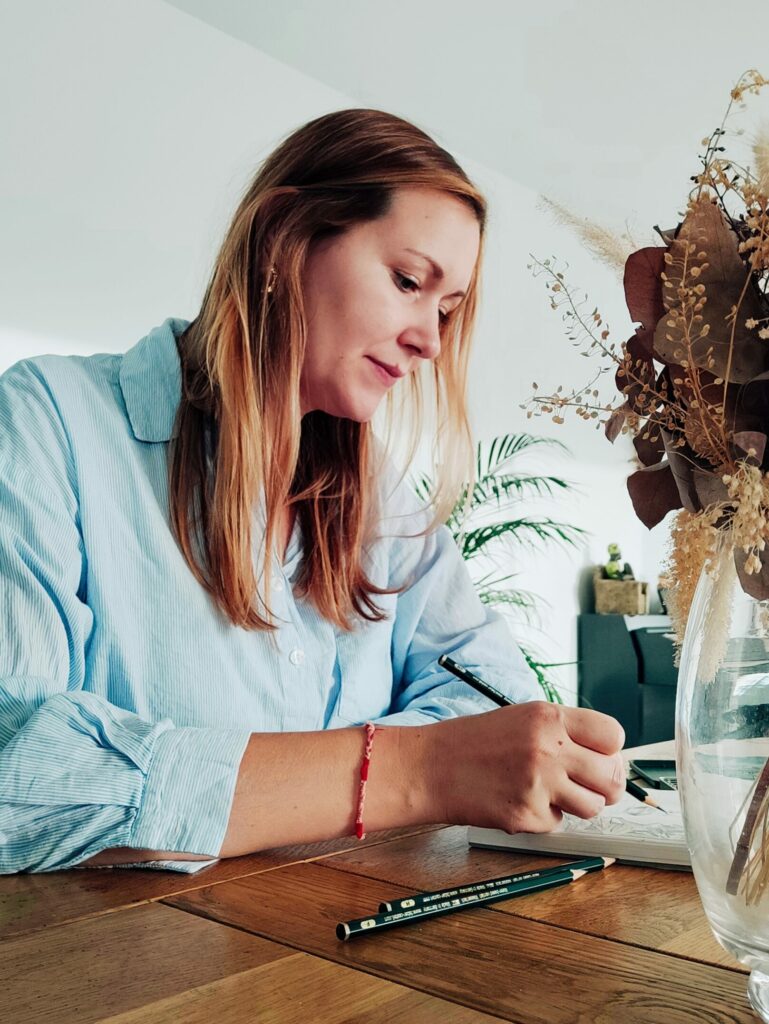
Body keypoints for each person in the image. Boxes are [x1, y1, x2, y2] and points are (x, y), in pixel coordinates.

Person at [0, 109, 625, 873]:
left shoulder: (382, 496)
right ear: (283, 239)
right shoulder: (48, 421)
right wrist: (411, 770)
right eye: (406, 281)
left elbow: (490, 689)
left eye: (446, 309)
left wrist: (311, 785)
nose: (430, 339)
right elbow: (20, 779)